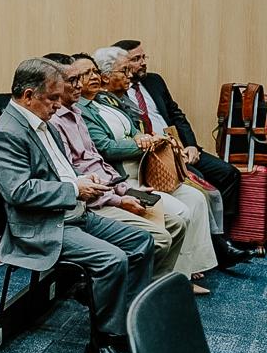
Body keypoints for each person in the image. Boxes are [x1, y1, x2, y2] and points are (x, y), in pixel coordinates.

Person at [0, 57, 154, 353]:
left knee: (141, 242)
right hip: (39, 225)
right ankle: (102, 349)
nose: (56, 105)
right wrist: (74, 188)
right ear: (28, 95)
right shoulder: (8, 133)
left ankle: (123, 330)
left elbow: (63, 171)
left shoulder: (44, 123)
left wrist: (87, 183)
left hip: (70, 213)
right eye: (51, 99)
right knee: (113, 260)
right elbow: (19, 191)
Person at [80, 48, 219, 290]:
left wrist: (147, 139)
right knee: (181, 212)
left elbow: (135, 131)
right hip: (125, 178)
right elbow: (106, 148)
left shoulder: (107, 101)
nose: (95, 77)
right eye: (88, 74)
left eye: (95, 72)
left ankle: (185, 272)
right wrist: (139, 144)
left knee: (196, 198)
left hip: (146, 170)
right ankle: (169, 278)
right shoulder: (83, 110)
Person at [42, 54, 188, 283]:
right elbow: (75, 175)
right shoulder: (54, 122)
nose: (80, 84)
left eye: (89, 74)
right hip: (94, 201)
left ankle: (152, 287)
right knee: (159, 238)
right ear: (54, 85)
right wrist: (119, 199)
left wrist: (124, 190)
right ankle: (131, 292)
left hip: (114, 187)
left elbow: (98, 161)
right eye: (74, 79)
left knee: (177, 224)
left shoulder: (79, 112)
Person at [114, 39, 249, 268]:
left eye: (143, 57)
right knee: (199, 184)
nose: (142, 63)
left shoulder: (154, 81)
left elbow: (176, 115)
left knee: (228, 173)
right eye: (135, 60)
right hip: (157, 155)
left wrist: (191, 145)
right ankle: (219, 248)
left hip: (180, 146)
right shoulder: (116, 93)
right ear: (121, 64)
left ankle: (224, 238)